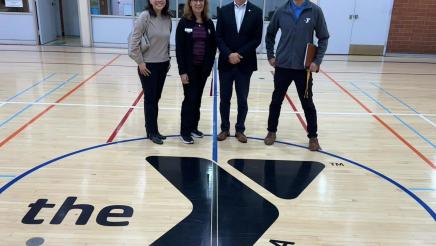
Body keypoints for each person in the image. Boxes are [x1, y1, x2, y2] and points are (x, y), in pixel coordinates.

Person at [264, 0, 329, 151]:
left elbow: (323, 37)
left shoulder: (315, 11)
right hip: (283, 66)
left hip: (303, 68)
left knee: (307, 104)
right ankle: (271, 132)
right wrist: (270, 55)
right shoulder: (281, 11)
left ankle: (313, 137)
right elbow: (270, 34)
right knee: (276, 101)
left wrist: (317, 61)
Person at [215, 0, 263, 143]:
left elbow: (257, 39)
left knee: (242, 99)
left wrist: (239, 54)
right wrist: (229, 54)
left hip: (245, 63)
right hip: (226, 62)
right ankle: (224, 129)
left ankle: (240, 129)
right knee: (225, 99)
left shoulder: (256, 11)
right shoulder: (223, 11)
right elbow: (218, 37)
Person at [129, 0, 172, 145]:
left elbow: (166, 42)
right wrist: (140, 62)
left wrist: (168, 59)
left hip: (163, 64)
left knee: (156, 99)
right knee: (151, 99)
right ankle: (151, 132)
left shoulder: (167, 18)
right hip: (148, 66)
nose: (159, 1)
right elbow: (133, 43)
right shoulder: (144, 17)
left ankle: (155, 130)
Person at [176, 0, 217, 144]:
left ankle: (193, 127)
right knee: (190, 98)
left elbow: (212, 47)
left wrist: (209, 66)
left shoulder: (209, 23)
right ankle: (184, 131)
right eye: (195, 1)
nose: (198, 3)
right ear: (190, 3)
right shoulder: (184, 22)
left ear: (204, 4)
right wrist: (182, 71)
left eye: (201, 1)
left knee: (197, 98)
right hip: (189, 69)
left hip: (203, 70)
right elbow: (180, 49)